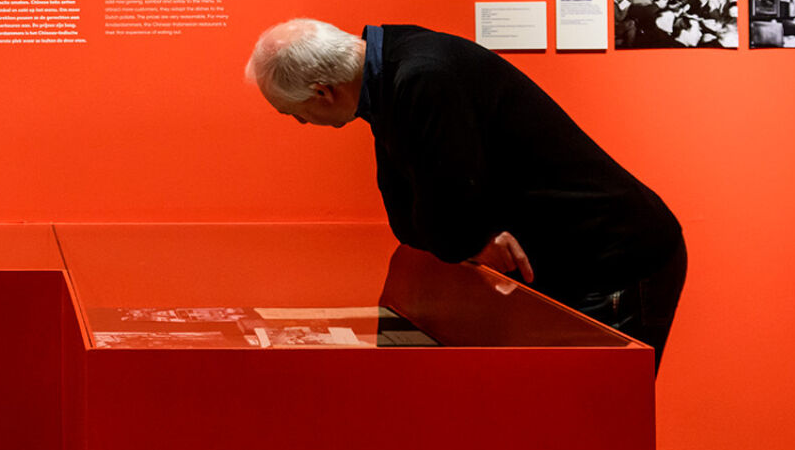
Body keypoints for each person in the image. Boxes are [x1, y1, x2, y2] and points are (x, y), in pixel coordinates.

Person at [245, 19, 687, 369]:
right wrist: (463, 235)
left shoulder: (422, 78)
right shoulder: (390, 74)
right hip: (574, 259)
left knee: (595, 421)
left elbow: (446, 222)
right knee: (564, 420)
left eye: (295, 113)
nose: (302, 123)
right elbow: (411, 221)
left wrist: (464, 236)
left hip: (614, 257)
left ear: (322, 92)